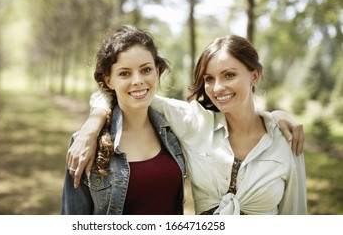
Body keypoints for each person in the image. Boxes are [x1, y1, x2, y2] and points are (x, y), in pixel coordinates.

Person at [68, 34, 307, 215]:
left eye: (229, 75)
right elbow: (127, 94)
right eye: (209, 79)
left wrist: (276, 115)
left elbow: (296, 216)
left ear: (254, 76)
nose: (217, 88)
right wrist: (92, 124)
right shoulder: (195, 122)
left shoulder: (285, 140)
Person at [61, 25, 186, 215]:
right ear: (109, 79)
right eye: (124, 73)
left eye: (145, 70)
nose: (137, 80)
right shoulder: (85, 143)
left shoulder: (175, 131)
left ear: (157, 71)